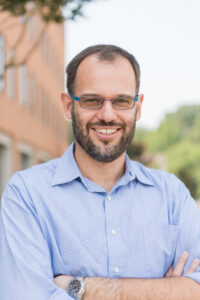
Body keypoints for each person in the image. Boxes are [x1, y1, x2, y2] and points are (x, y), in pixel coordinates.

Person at [0, 44, 200, 300]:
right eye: (92, 100)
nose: (107, 115)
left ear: (137, 107)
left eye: (122, 101)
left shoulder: (172, 195)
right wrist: (165, 291)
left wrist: (85, 288)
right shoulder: (26, 195)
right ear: (67, 105)